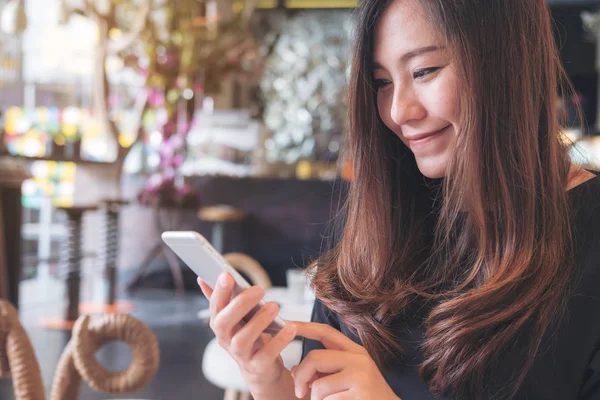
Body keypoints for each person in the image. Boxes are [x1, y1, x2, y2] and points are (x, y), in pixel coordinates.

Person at [198, 0, 600, 398]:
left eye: (424, 71)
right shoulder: (384, 230)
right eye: (382, 82)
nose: (398, 111)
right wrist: (271, 384)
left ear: (508, 60)